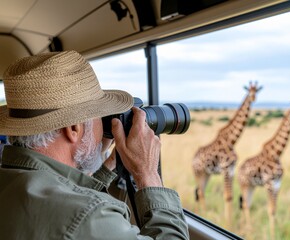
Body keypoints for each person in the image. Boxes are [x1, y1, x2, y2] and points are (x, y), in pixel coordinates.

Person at [0, 51, 189, 239]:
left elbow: (64, 195)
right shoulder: (91, 216)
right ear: (73, 128)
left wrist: (107, 162)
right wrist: (147, 173)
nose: (103, 128)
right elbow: (79, 212)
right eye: (100, 117)